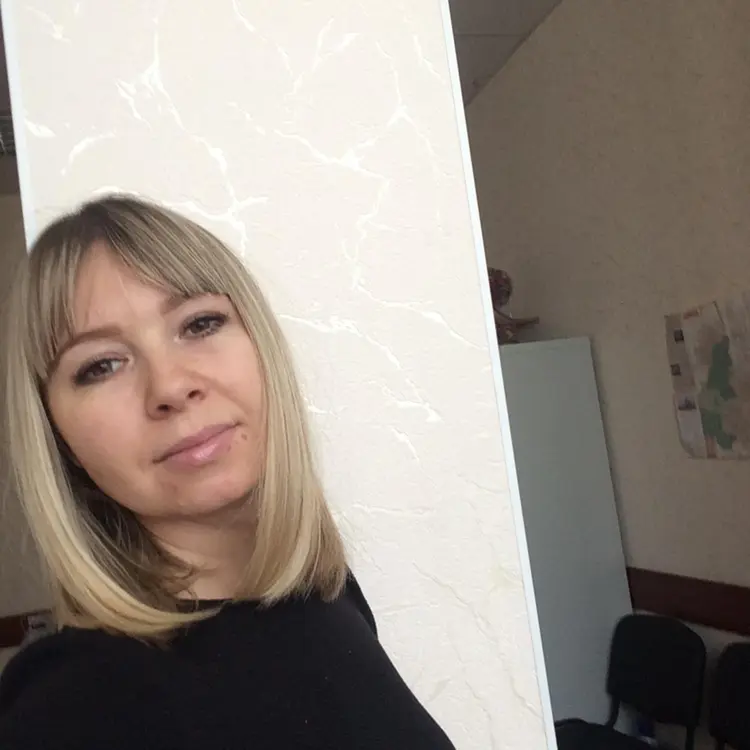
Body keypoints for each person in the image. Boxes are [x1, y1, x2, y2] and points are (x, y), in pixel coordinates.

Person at [0, 196, 456, 749]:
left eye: (200, 324)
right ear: (59, 438)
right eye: (102, 365)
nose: (171, 386)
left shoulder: (322, 596)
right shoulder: (69, 708)